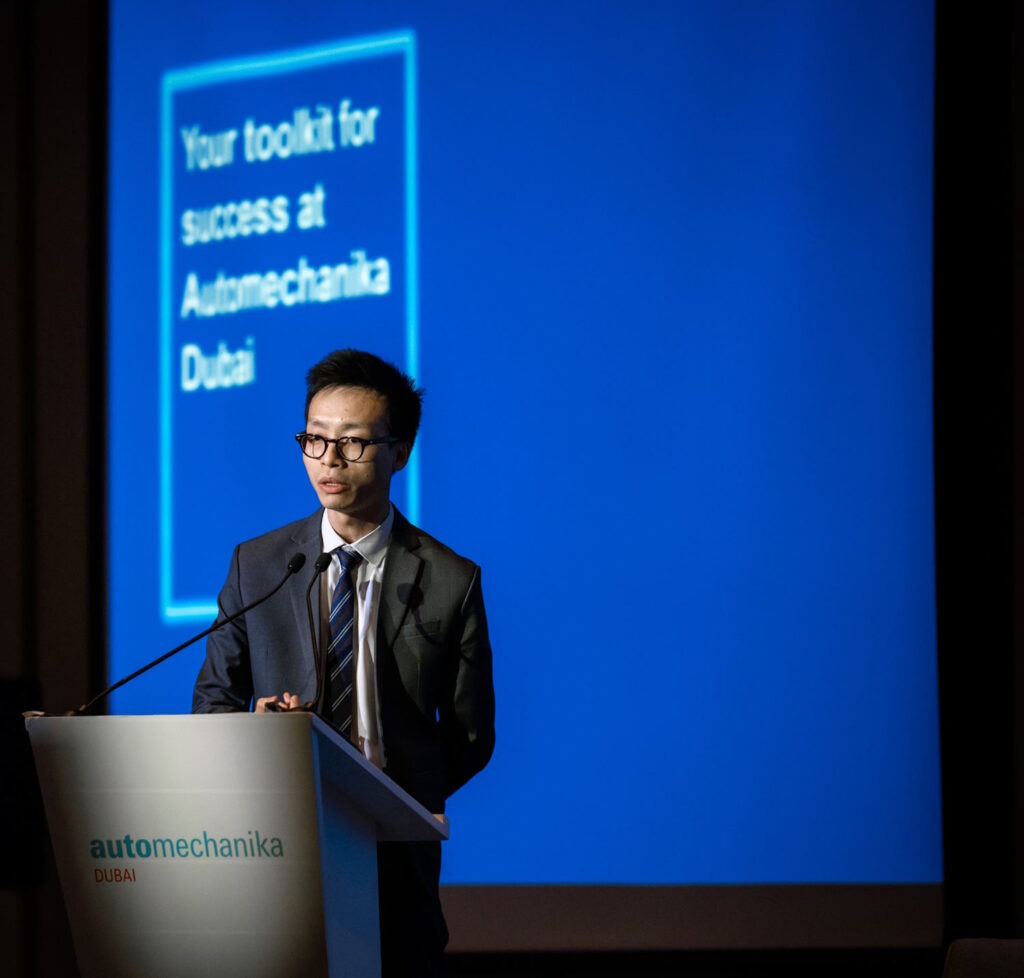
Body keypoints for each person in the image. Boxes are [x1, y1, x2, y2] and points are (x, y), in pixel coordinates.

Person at [192, 348, 496, 976]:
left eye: (353, 443)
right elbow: (213, 702)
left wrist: (390, 800)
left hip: (392, 861)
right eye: (314, 439)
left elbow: (471, 735)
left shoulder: (451, 580)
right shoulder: (258, 565)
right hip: (273, 848)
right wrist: (259, 734)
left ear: (399, 452)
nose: (329, 460)